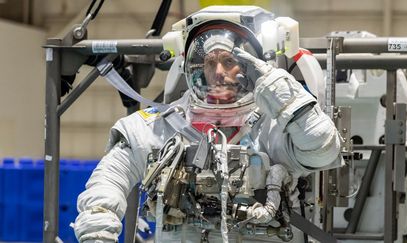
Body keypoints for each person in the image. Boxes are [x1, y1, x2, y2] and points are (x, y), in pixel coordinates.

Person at [73, 6, 343, 243]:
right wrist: (98, 230)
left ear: (253, 65)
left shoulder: (276, 126)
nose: (218, 73)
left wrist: (276, 88)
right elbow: (109, 179)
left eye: (230, 61)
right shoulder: (164, 126)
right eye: (209, 62)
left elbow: (323, 149)